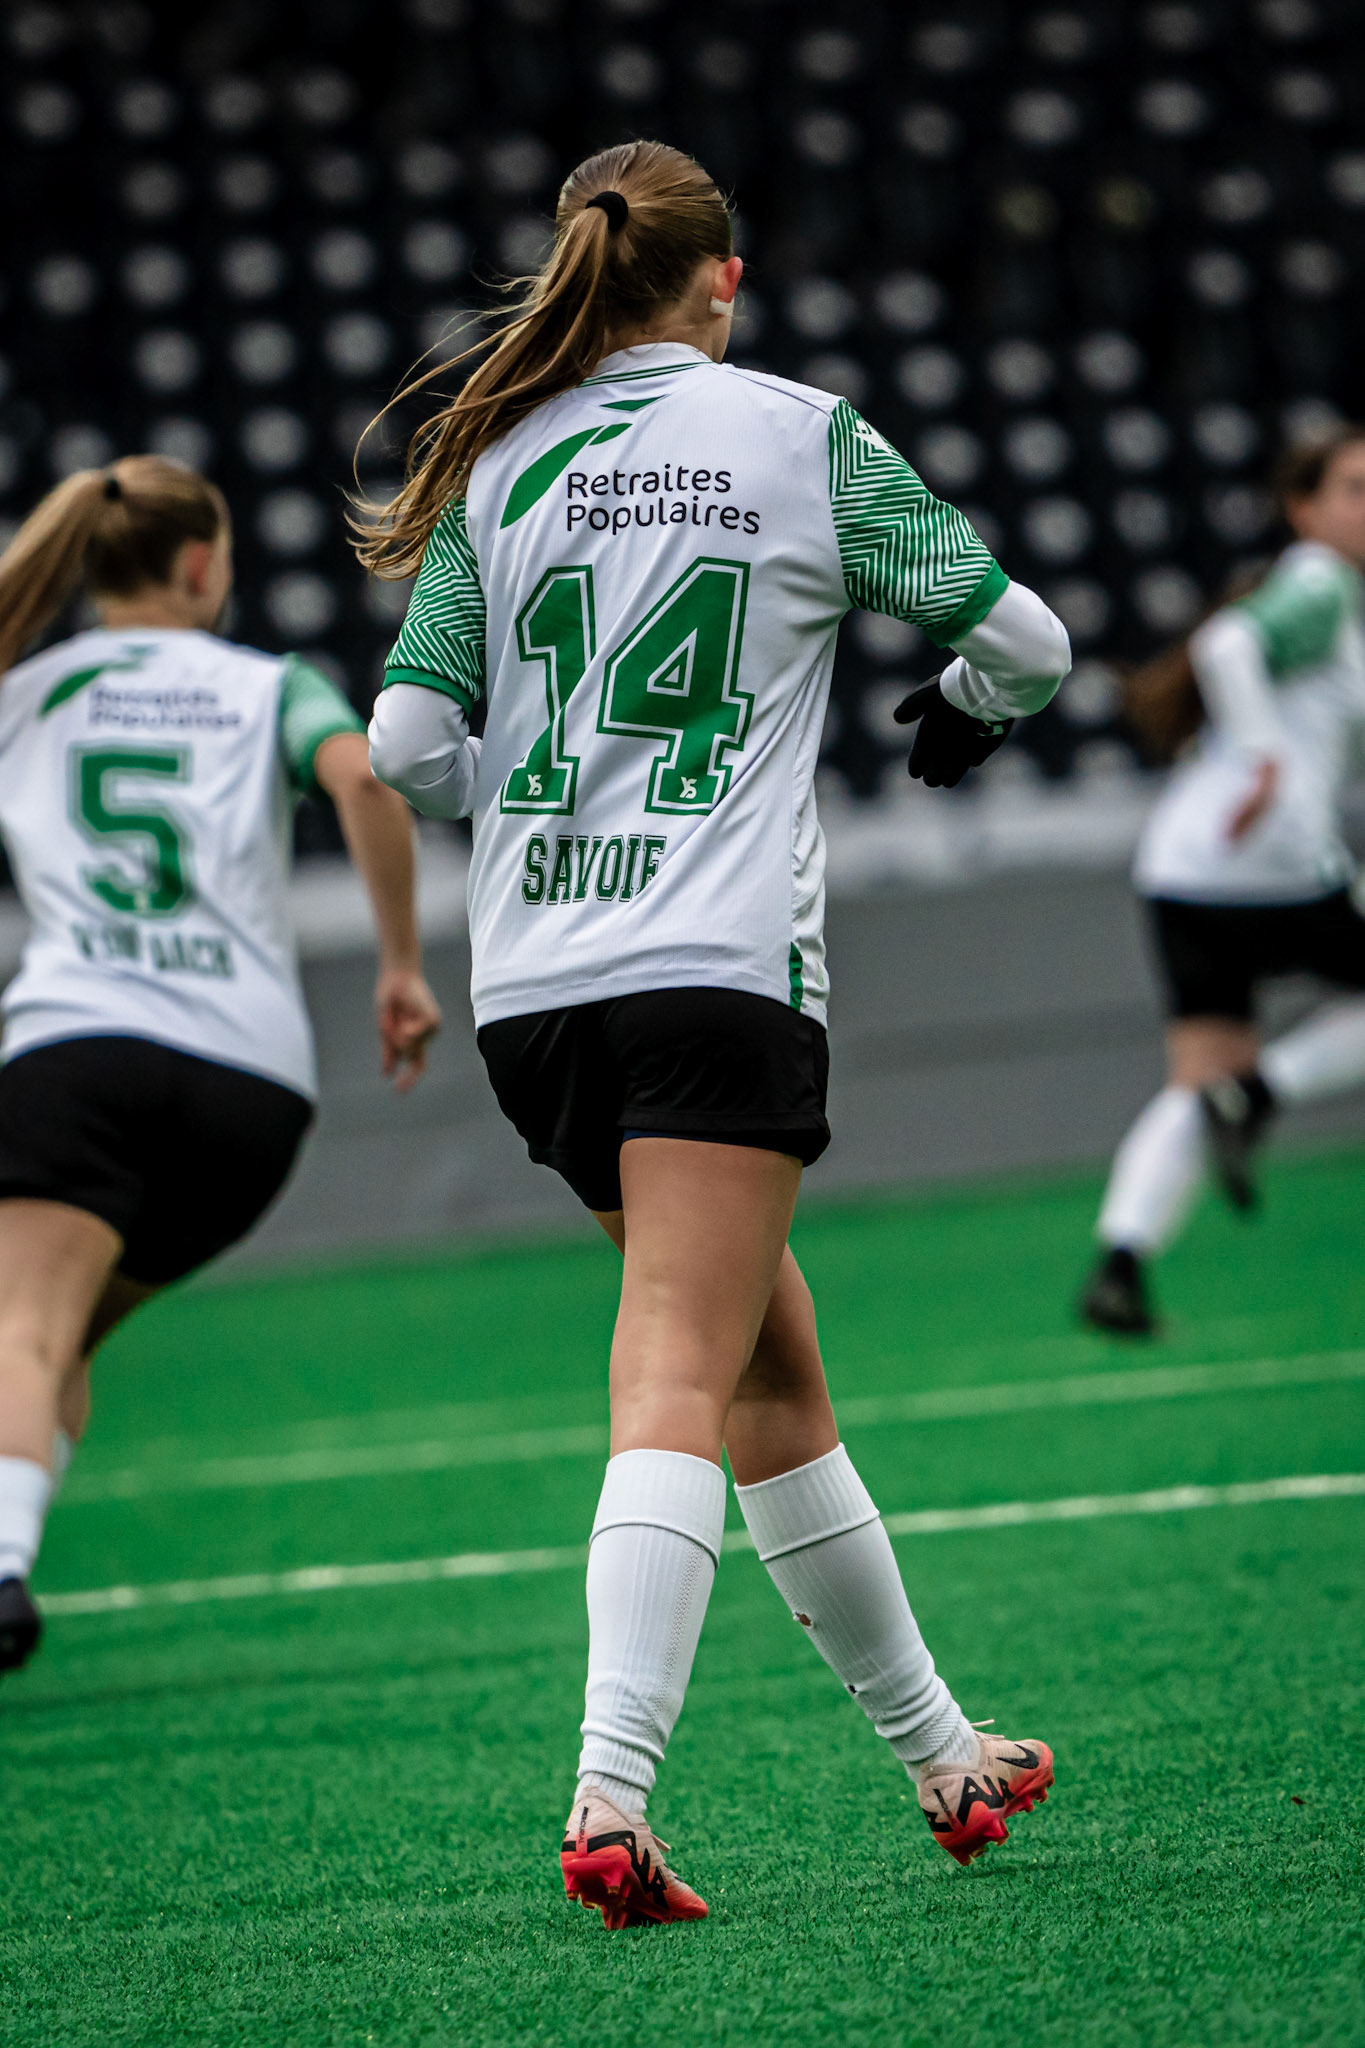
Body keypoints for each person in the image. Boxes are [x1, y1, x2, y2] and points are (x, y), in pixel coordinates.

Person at [364, 141, 1070, 1926]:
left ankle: (943, 1755)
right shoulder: (799, 436)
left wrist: (544, 775)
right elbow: (1030, 640)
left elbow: (405, 748)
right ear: (723, 278)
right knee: (684, 1354)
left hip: (541, 987)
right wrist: (968, 717)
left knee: (771, 1362)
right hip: (712, 965)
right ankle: (609, 1789)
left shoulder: (504, 462)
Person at [0, 455, 442, 1673]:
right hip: (248, 1093)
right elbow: (360, 768)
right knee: (57, 1342)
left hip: (78, 1051)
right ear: (200, 566)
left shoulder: (22, 691)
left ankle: (2, 1566)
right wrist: (399, 965)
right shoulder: (266, 685)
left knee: (20, 1329)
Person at [1083, 427, 1365, 1337]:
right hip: (1269, 863)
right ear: (1303, 509)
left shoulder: (1332, 600)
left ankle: (1120, 1264)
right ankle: (1262, 1092)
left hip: (1184, 870)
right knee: (1230, 1083)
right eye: (1354, 488)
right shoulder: (1319, 583)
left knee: (1195, 1080)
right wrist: (1263, 763)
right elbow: (1228, 649)